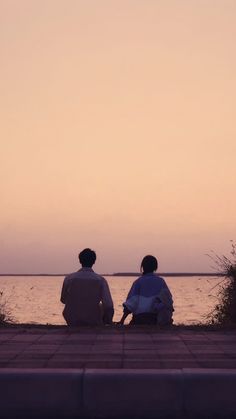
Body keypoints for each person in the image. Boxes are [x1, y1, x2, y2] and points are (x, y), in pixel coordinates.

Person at [60, 248, 114, 326]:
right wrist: (109, 320)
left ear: (80, 260)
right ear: (94, 261)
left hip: (72, 320)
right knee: (102, 306)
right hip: (93, 320)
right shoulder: (100, 280)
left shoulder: (69, 278)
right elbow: (109, 305)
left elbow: (63, 300)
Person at [119, 255, 174, 326]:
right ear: (155, 267)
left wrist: (122, 320)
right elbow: (168, 301)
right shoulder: (161, 282)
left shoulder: (138, 282)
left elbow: (131, 304)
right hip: (156, 319)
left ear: (143, 267)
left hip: (139, 319)